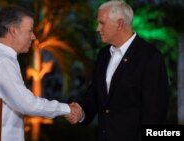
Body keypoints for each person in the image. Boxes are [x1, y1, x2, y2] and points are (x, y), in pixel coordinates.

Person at [65, 0, 170, 141]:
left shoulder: (150, 57)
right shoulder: (103, 55)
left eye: (102, 23)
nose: (97, 28)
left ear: (120, 24)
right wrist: (81, 112)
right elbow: (96, 94)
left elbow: (155, 113)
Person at [0, 6, 81, 141]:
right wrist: (66, 109)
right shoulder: (2, 61)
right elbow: (26, 103)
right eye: (29, 31)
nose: (33, 36)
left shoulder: (0, 58)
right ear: (13, 31)